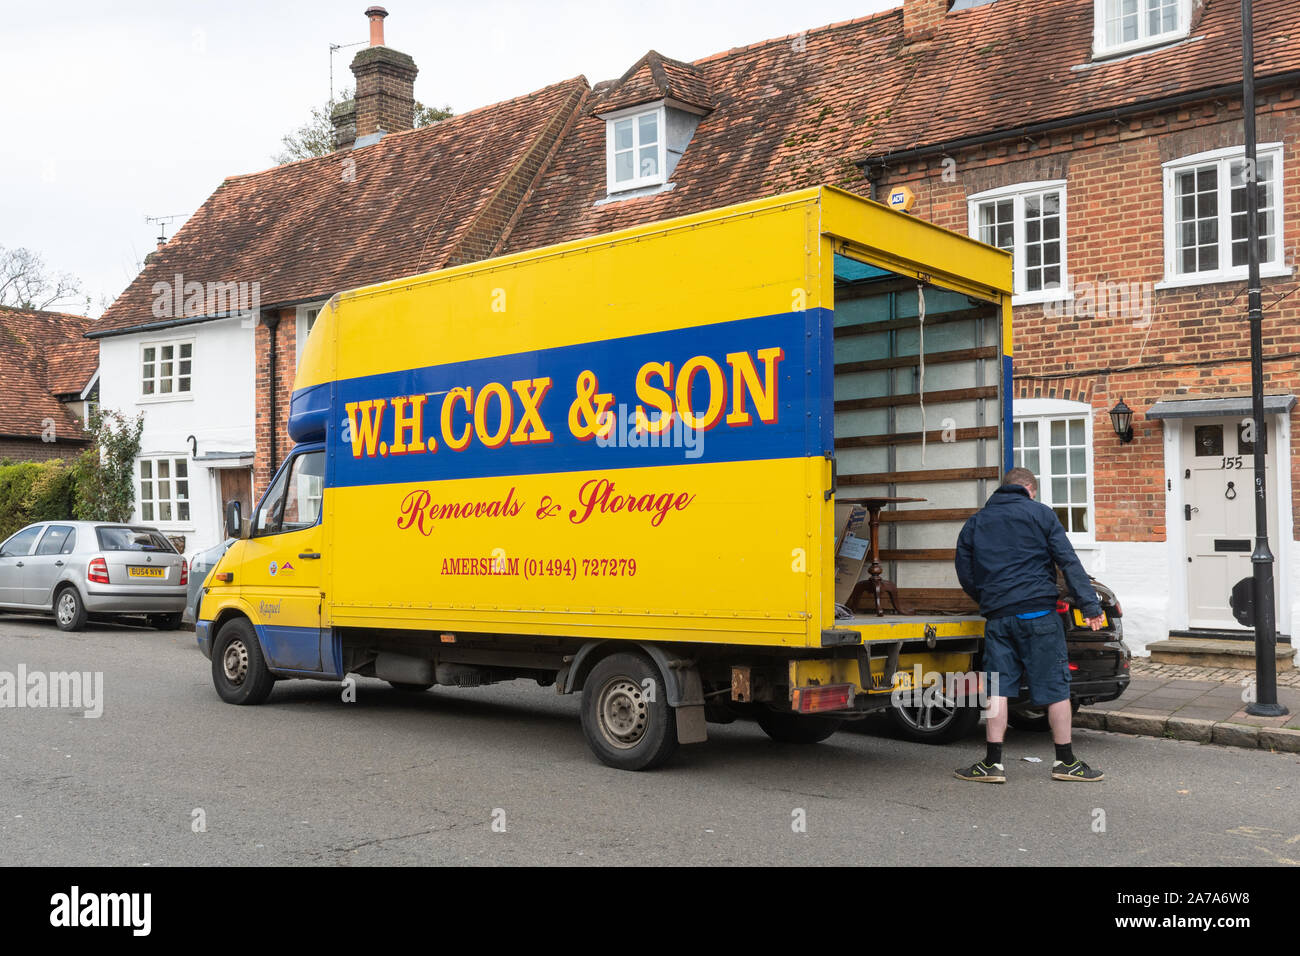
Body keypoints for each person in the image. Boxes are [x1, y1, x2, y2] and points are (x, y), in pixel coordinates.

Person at [953, 467, 1107, 783]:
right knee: (1055, 688)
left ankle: (992, 764)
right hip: (1039, 615)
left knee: (998, 687)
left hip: (999, 617)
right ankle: (1065, 762)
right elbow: (1068, 562)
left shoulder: (976, 523)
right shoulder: (1041, 515)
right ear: (1030, 490)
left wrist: (988, 598)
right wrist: (1090, 606)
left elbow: (965, 572)